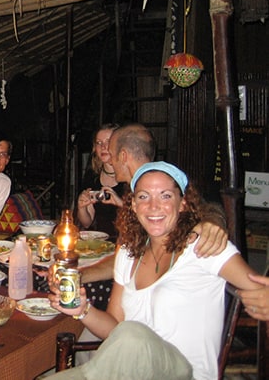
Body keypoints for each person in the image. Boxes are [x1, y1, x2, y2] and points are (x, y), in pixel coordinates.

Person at [48, 161, 262, 380]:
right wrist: (83, 310)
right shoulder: (129, 253)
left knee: (132, 334)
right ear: (133, 205)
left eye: (165, 196)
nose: (153, 206)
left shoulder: (204, 247)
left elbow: (258, 289)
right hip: (132, 370)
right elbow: (115, 331)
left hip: (186, 374)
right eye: (143, 196)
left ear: (183, 204)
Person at [72, 123, 228, 284]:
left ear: (123, 156)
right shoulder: (135, 189)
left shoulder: (160, 183)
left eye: (112, 153)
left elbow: (206, 204)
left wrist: (214, 221)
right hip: (135, 276)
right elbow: (127, 257)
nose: (110, 159)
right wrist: (78, 276)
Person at [75, 123, 127, 240]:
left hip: (126, 241)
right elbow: (87, 223)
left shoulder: (130, 177)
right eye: (99, 143)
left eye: (108, 141)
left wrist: (120, 203)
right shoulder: (92, 176)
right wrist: (82, 207)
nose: (103, 147)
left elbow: (142, 217)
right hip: (99, 242)